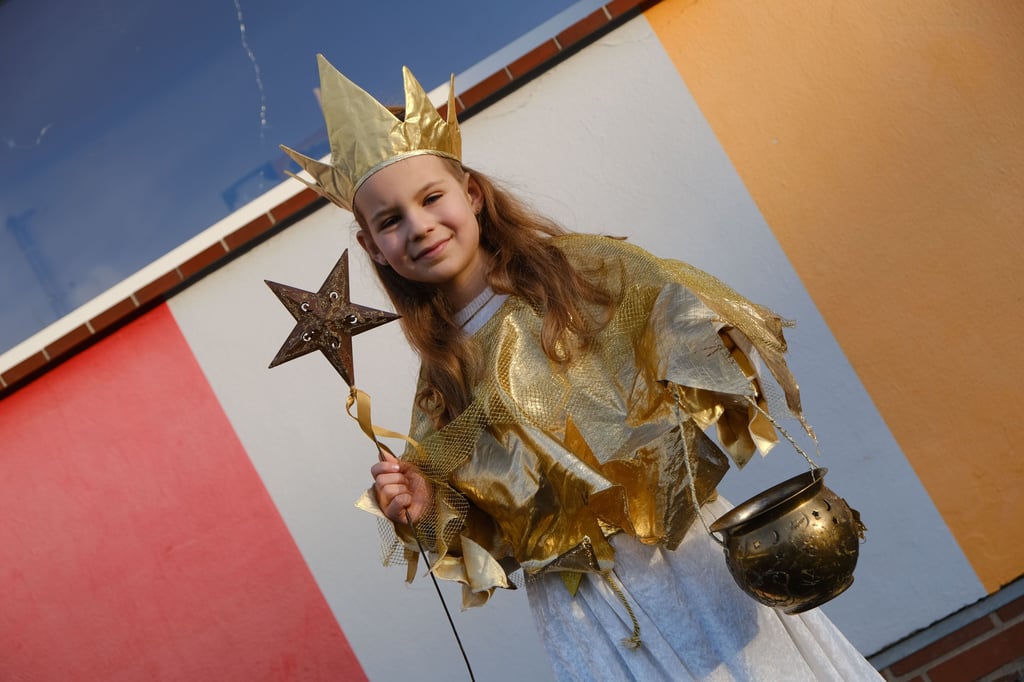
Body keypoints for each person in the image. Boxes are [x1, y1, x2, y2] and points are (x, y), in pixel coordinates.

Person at [282, 55, 883, 681]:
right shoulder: (443, 382)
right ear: (372, 247)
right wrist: (424, 500)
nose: (419, 226)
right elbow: (482, 528)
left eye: (431, 197)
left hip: (682, 550)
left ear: (473, 194)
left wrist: (699, 334)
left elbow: (678, 312)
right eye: (390, 221)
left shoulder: (580, 277)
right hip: (581, 606)